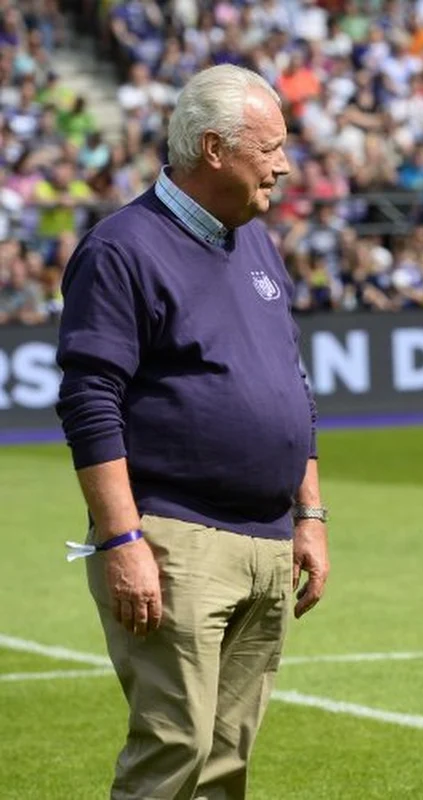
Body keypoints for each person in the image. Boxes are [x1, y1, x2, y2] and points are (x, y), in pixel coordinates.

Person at [54, 65, 330, 800]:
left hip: (268, 541)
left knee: (226, 760)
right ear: (213, 148)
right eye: (269, 147)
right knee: (174, 748)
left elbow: (292, 389)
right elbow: (90, 399)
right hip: (175, 538)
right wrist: (121, 540)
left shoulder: (259, 244)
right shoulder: (122, 249)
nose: (284, 163)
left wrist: (311, 514)